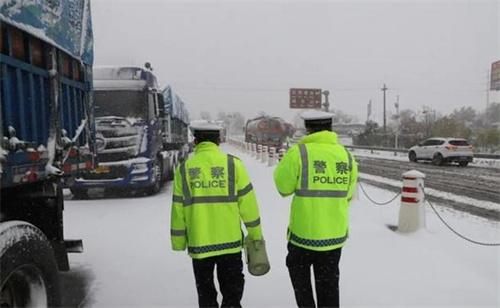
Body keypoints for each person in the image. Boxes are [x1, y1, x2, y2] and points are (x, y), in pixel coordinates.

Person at [170, 122, 264, 308]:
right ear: (219, 140)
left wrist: (179, 242)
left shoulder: (184, 169)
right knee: (232, 290)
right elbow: (248, 205)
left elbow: (178, 209)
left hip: (200, 243)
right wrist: (255, 235)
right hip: (229, 243)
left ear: (195, 141)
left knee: (205, 292)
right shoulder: (233, 164)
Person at [273, 110, 358, 308]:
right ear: (330, 128)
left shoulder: (299, 153)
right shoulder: (346, 156)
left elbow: (283, 188)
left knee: (302, 284)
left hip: (303, 235)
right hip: (333, 236)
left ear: (308, 129)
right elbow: (347, 194)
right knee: (329, 285)